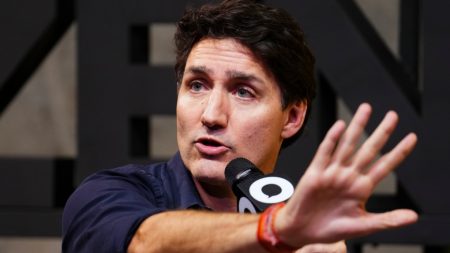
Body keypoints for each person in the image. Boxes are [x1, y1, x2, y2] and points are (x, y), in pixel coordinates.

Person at [62, 0, 418, 252]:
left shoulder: (307, 229)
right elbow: (145, 243)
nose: (212, 115)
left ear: (292, 117)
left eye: (243, 92)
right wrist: (275, 231)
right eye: (197, 85)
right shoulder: (106, 196)